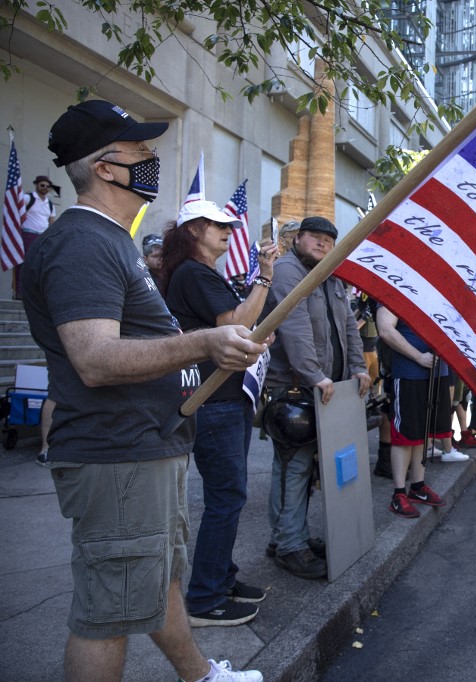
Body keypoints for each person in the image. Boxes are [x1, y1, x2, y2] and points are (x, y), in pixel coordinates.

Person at [22, 99, 264, 682]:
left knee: (155, 584)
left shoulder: (109, 240)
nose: (153, 161)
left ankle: (202, 676)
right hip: (118, 455)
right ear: (105, 167)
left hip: (144, 448)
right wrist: (205, 343)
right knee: (106, 615)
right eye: (142, 154)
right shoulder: (84, 242)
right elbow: (96, 360)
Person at [161, 200, 279, 626]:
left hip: (226, 396)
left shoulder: (202, 273)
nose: (229, 231)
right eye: (219, 225)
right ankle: (206, 597)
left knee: (229, 496)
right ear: (195, 230)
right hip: (214, 400)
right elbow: (237, 324)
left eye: (230, 224)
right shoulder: (193, 272)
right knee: (226, 498)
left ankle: (221, 579)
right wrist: (265, 277)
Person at [263, 216, 371, 579]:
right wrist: (316, 376)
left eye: (329, 240)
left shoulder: (331, 275)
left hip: (329, 388)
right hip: (295, 387)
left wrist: (358, 367)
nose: (323, 245)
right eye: (315, 238)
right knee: (293, 465)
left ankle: (290, 536)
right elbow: (294, 330)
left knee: (304, 467)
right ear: (298, 239)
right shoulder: (287, 272)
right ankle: (288, 545)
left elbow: (348, 329)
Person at [375, 306, 451, 518]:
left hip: (436, 371)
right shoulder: (394, 286)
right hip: (408, 373)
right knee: (405, 434)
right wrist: (418, 357)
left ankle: (417, 486)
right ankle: (399, 494)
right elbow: (385, 330)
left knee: (422, 432)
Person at [14, 175, 57, 298]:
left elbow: (51, 222)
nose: (45, 188)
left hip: (42, 237)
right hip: (28, 233)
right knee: (24, 263)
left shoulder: (49, 204)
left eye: (47, 186)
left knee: (41, 265)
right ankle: (19, 291)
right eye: (42, 185)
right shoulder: (28, 198)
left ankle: (36, 294)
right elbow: (16, 213)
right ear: (37, 185)